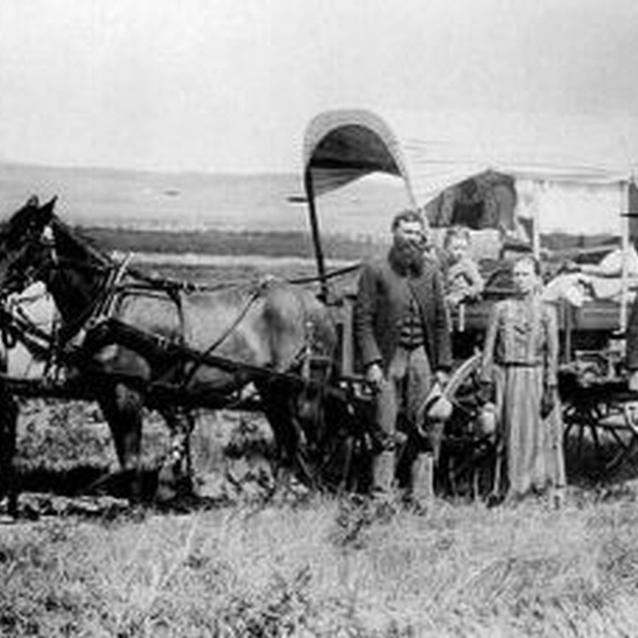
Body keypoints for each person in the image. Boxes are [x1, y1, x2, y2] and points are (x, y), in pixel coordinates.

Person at [354, 209, 452, 503]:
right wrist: (371, 362)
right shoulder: (375, 269)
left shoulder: (431, 271)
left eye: (416, 233)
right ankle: (381, 497)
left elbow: (440, 322)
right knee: (385, 428)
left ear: (422, 236)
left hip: (421, 356)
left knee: (424, 429)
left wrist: (443, 366)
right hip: (388, 358)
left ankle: (422, 498)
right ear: (394, 233)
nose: (412, 238)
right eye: (406, 232)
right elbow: (363, 319)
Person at [480, 255, 566, 506]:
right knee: (511, 434)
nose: (519, 280)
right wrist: (486, 381)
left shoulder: (548, 312)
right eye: (516, 275)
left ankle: (541, 488)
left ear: (537, 278)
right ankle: (512, 489)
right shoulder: (500, 309)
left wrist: (550, 386)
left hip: (537, 378)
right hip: (509, 378)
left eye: (525, 274)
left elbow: (553, 352)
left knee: (540, 434)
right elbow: (488, 349)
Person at [441, 225, 484, 307]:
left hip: (463, 297)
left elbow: (479, 284)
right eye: (456, 248)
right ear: (446, 248)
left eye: (464, 249)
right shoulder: (444, 263)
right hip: (447, 295)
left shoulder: (466, 264)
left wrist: (465, 293)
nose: (460, 253)